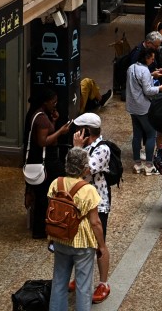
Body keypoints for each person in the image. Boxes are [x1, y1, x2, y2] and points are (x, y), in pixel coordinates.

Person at [47, 147, 109, 311]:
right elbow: (95, 222)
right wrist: (101, 245)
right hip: (82, 243)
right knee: (83, 286)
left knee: (59, 282)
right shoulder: (88, 190)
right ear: (84, 167)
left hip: (60, 238)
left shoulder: (56, 183)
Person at [73, 114, 114, 304]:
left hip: (98, 204)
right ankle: (79, 277)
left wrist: (77, 149)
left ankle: (104, 283)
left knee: (99, 244)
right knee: (80, 241)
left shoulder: (103, 149)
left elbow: (82, 171)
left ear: (86, 131)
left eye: (79, 129)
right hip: (80, 202)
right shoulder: (86, 147)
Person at [25, 87, 74, 239]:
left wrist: (53, 120)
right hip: (47, 162)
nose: (55, 104)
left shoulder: (41, 115)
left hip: (44, 160)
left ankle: (45, 225)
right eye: (53, 102)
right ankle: (44, 227)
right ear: (45, 102)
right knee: (48, 193)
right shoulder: (41, 119)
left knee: (43, 193)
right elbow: (42, 141)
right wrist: (61, 131)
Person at [126, 39, 162, 175]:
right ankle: (149, 166)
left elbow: (139, 80)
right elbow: (148, 90)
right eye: (152, 58)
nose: (152, 61)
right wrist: (160, 88)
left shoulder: (131, 68)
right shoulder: (144, 71)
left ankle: (137, 164)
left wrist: (152, 74)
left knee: (137, 135)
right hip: (143, 107)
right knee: (151, 134)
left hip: (132, 107)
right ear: (147, 58)